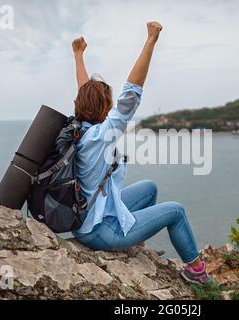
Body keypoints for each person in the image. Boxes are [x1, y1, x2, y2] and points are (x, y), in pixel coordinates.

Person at [71, 21, 213, 285]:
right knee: (176, 212)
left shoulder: (81, 128)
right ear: (105, 107)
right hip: (100, 232)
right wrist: (150, 41)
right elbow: (131, 94)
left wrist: (78, 55)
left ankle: (136, 244)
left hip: (86, 219)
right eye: (109, 104)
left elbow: (85, 94)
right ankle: (196, 272)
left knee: (149, 188)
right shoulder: (104, 133)